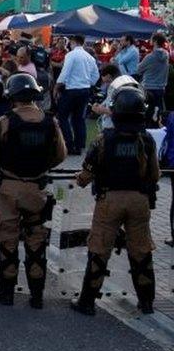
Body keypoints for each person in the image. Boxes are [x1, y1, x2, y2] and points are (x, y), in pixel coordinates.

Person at [0, 73, 67, 309]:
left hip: (9, 187)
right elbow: (60, 154)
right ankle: (37, 296)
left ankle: (7, 293)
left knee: (7, 240)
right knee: (37, 242)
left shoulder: (4, 122)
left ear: (12, 96)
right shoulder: (50, 122)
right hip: (37, 189)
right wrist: (42, 166)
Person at [71, 87, 159, 316]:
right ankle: (147, 302)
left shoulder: (104, 139)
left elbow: (87, 173)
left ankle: (87, 302)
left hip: (109, 200)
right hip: (139, 200)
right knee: (141, 251)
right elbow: (154, 174)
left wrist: (78, 180)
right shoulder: (147, 139)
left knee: (99, 249)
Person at [54, 35, 100, 155]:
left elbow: (65, 72)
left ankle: (69, 144)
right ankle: (80, 144)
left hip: (71, 89)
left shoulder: (71, 55)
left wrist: (57, 86)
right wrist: (88, 83)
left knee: (63, 117)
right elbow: (96, 75)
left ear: (73, 42)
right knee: (79, 118)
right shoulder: (89, 57)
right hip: (84, 90)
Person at [137, 33, 169, 125]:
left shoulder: (150, 57)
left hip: (149, 87)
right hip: (161, 87)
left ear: (155, 42)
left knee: (147, 113)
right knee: (158, 112)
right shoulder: (166, 55)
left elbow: (138, 69)